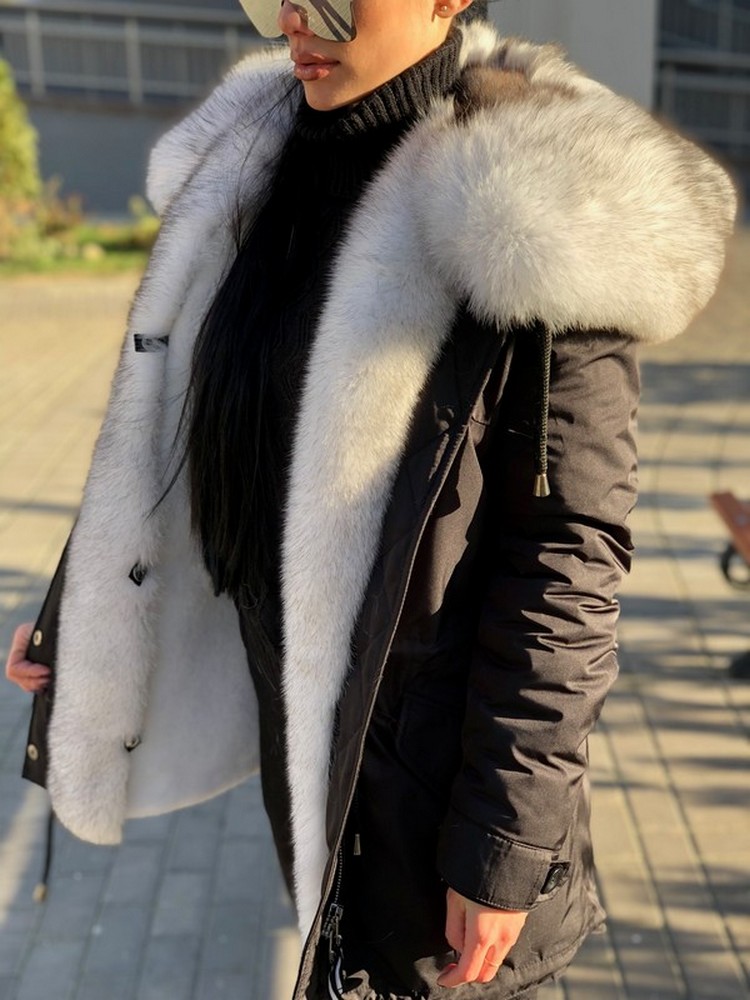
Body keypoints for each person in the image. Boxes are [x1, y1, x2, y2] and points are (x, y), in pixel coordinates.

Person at [5, 1, 736, 997]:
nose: (293, 21)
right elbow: (175, 428)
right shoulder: (257, 160)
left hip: (439, 795)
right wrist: (81, 611)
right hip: (302, 732)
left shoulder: (545, 200)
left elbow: (568, 556)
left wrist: (504, 844)